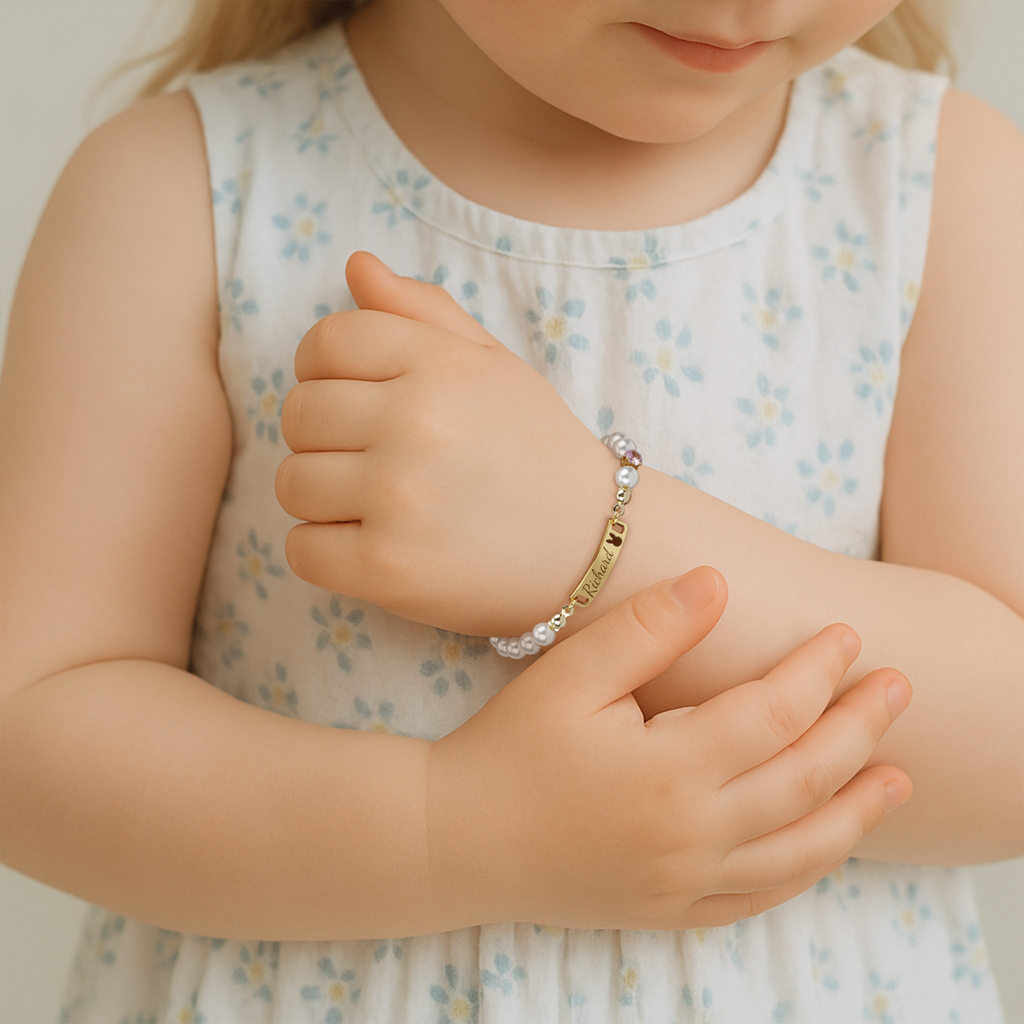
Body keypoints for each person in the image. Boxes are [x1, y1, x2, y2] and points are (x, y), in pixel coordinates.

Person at [0, 0, 1020, 1019]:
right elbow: (32, 722)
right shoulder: (189, 188)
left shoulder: (936, 186)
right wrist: (450, 829)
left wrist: (593, 539)